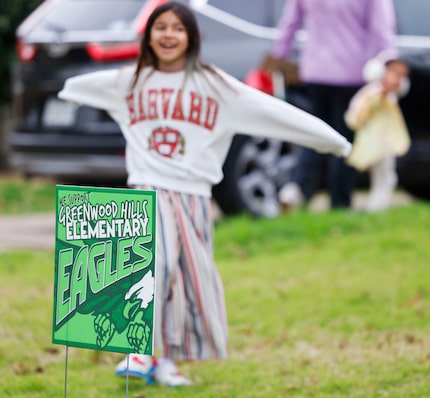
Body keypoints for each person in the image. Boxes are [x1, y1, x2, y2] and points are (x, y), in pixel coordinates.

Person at [58, 2, 352, 387]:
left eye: (177, 28)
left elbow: (276, 113)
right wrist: (71, 93)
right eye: (159, 27)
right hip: (148, 189)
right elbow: (86, 85)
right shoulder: (129, 82)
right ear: (147, 36)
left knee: (184, 280)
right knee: (155, 264)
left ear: (192, 38)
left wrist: (334, 143)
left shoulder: (216, 87)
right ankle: (137, 348)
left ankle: (167, 362)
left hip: (195, 196)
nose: (168, 35)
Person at [266, 0, 397, 210]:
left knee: (315, 133)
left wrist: (279, 57)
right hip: (352, 72)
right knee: (344, 140)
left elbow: (289, 23)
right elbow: (381, 29)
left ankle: (298, 189)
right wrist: (388, 63)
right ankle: (340, 202)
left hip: (315, 71)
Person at [345, 54, 410, 212]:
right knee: (385, 178)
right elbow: (354, 117)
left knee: (386, 177)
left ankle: (377, 209)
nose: (398, 79)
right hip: (376, 142)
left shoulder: (390, 95)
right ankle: (376, 210)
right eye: (394, 73)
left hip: (384, 142)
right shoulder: (373, 93)